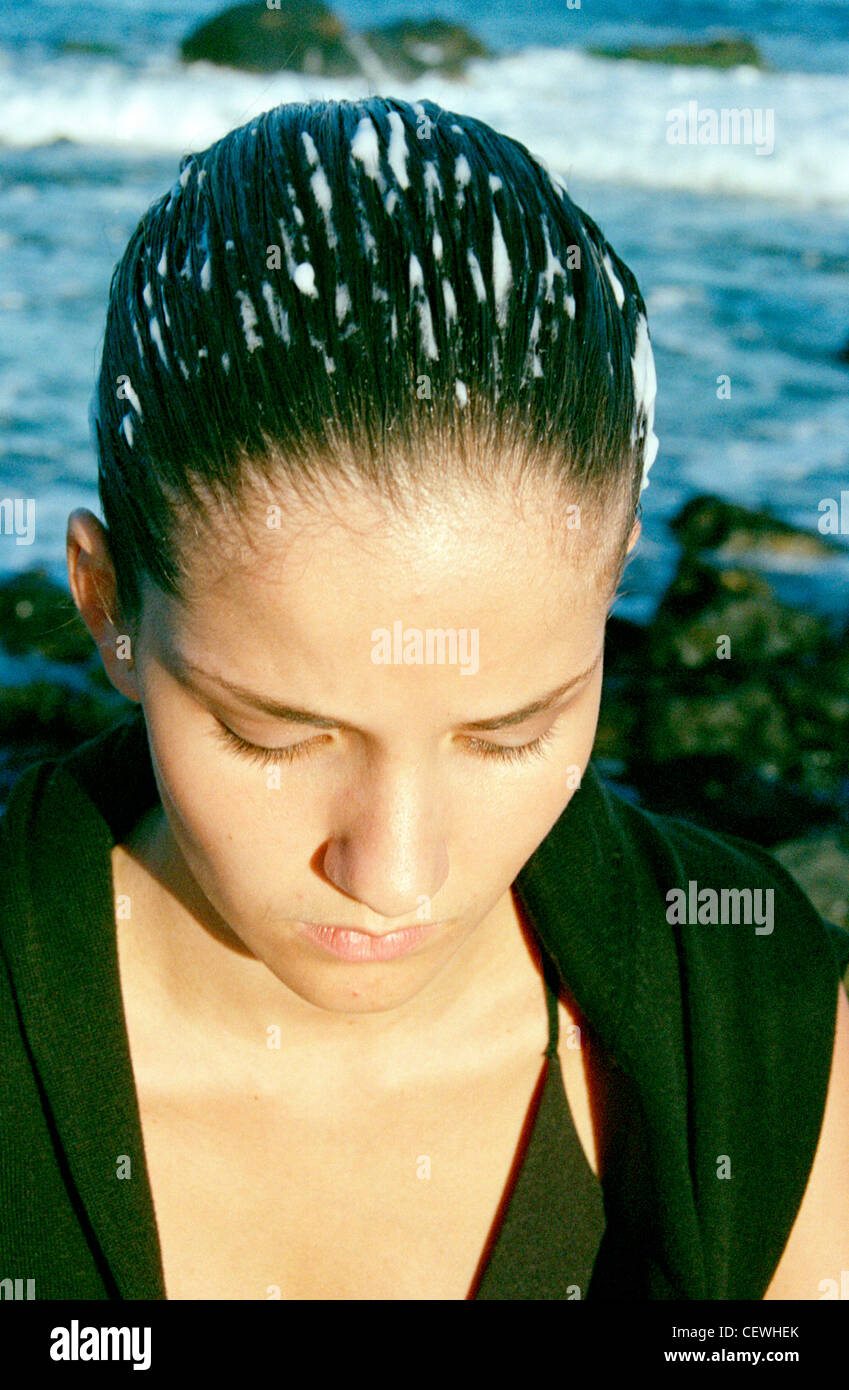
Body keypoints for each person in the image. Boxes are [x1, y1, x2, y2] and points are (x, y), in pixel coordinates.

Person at [1, 96, 848, 1302]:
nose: (397, 875)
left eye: (512, 733)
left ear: (611, 596)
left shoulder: (770, 1042)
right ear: (107, 609)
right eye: (271, 732)